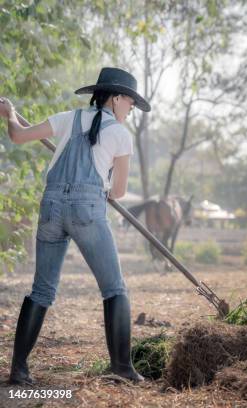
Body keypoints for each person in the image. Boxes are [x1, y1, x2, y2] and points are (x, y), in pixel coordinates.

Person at [0, 67, 151, 385]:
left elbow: (17, 135)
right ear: (115, 98)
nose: (132, 108)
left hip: (51, 207)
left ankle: (19, 370)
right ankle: (122, 368)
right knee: (114, 288)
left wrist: (10, 112)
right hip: (88, 211)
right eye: (131, 101)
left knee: (41, 290)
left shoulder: (69, 118)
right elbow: (119, 192)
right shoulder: (121, 135)